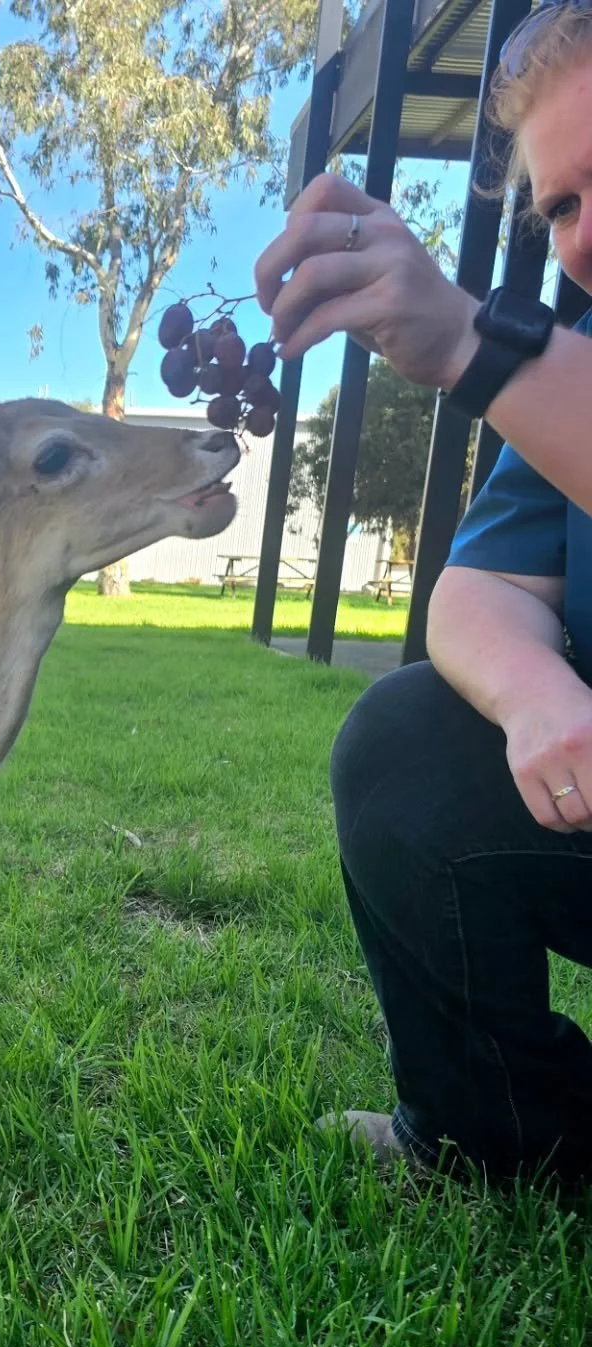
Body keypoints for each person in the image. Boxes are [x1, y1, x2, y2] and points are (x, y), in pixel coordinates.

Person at [253, 1, 592, 1181]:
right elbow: (478, 584)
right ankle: (504, 1128)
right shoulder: (580, 350)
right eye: (562, 205)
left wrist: (468, 340)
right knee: (404, 741)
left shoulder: (538, 360)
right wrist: (533, 689)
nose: (582, 239)